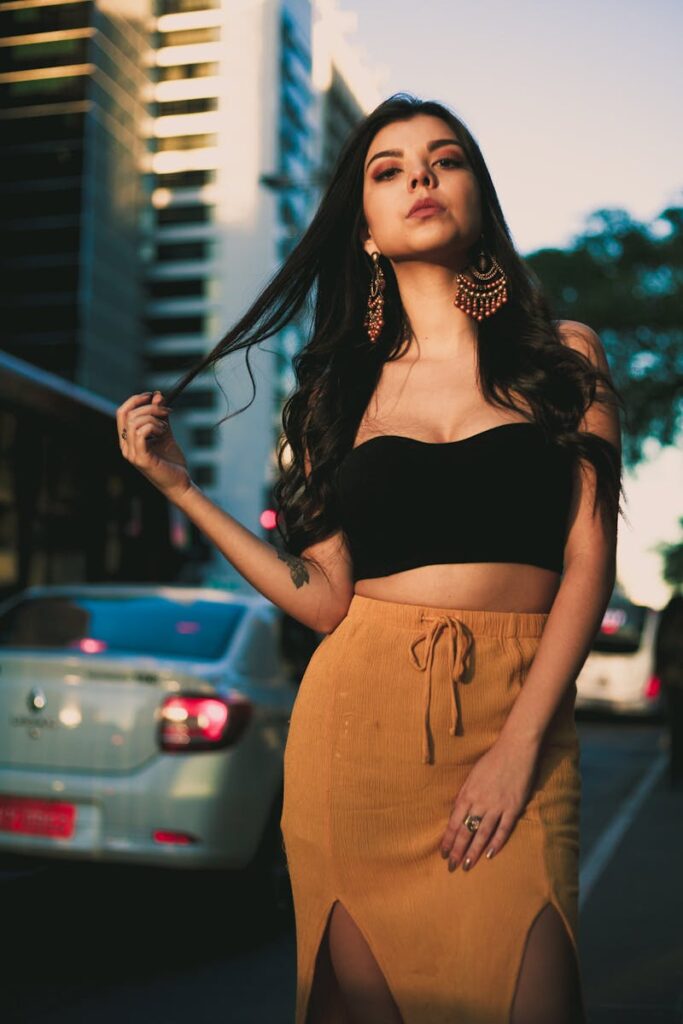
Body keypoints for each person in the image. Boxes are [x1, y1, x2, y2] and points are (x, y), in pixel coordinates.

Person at [117, 94, 625, 1024]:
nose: (419, 178)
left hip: (520, 718)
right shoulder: (338, 392)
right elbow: (320, 601)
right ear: (363, 229)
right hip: (357, 732)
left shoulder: (563, 357)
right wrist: (180, 489)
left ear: (478, 193)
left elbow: (588, 561)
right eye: (387, 170)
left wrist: (516, 750)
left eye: (444, 159)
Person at [654, 592, 683, 787]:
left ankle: (675, 773)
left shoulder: (672, 608)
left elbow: (660, 644)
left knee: (675, 728)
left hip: (673, 679)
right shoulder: (674, 608)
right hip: (673, 678)